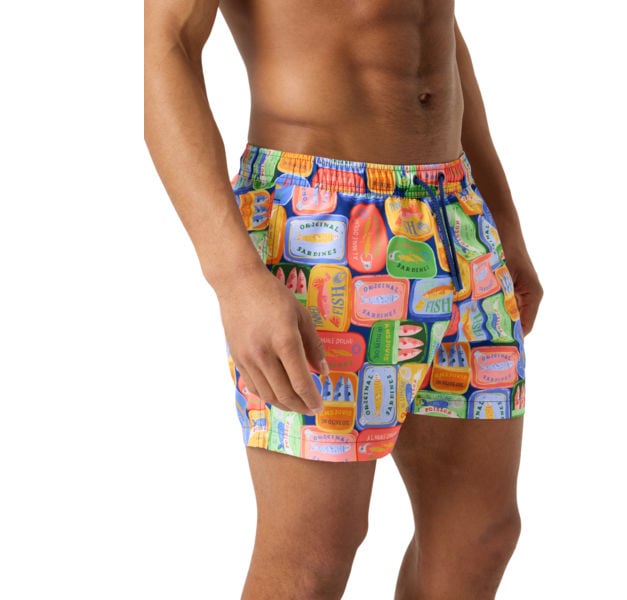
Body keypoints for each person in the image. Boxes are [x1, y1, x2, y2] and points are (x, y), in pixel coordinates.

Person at [144, 0, 543, 597]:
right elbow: (166, 45)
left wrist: (504, 222)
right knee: (314, 552)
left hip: (457, 213)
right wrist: (235, 277)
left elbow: (430, 29)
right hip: (322, 225)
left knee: (479, 534)